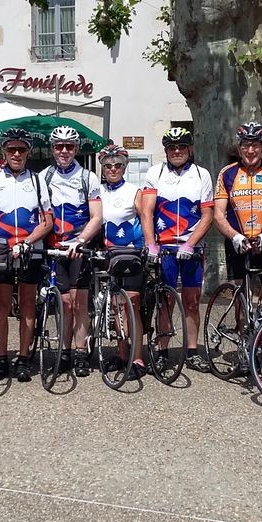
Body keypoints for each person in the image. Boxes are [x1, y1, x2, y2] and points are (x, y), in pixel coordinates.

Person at [213, 122, 262, 386]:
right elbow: (218, 214)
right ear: (239, 148)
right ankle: (245, 352)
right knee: (241, 300)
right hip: (237, 243)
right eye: (246, 145)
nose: (250, 150)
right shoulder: (227, 174)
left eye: (255, 145)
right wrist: (234, 236)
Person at [0, 128, 53, 383]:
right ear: (4, 152)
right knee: (2, 306)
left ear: (28, 152)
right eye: (11, 149)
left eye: (21, 149)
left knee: (28, 305)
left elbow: (48, 221)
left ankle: (24, 358)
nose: (16, 154)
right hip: (1, 252)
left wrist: (27, 242)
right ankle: (3, 358)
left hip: (30, 251)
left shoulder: (37, 181)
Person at [138, 127, 215, 373]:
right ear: (166, 150)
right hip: (164, 247)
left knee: (192, 301)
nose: (177, 151)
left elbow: (207, 214)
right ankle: (162, 352)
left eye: (182, 146)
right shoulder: (156, 172)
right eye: (172, 147)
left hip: (192, 247)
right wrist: (151, 244)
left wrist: (191, 243)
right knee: (165, 301)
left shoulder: (201, 174)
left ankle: (191, 352)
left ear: (189, 149)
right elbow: (147, 211)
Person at [41, 125, 103, 377]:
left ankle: (80, 353)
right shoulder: (44, 177)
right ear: (53, 149)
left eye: (69, 146)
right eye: (59, 146)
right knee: (63, 304)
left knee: (79, 303)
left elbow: (97, 217)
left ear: (76, 149)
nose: (64, 151)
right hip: (55, 248)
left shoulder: (88, 177)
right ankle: (64, 352)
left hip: (79, 248)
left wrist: (81, 240)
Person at [99, 144, 148, 378]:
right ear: (102, 168)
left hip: (131, 254)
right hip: (108, 254)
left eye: (118, 165)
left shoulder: (133, 191)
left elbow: (145, 217)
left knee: (132, 304)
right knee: (117, 305)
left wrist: (149, 245)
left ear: (124, 167)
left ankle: (137, 359)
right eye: (108, 165)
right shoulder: (98, 190)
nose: (113, 169)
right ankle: (122, 354)